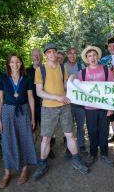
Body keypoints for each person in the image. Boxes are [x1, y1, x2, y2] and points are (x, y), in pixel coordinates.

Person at [32, 43, 89, 181]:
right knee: (46, 138)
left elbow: (64, 85)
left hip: (64, 107)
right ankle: (42, 164)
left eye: (54, 52)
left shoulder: (62, 68)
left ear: (57, 54)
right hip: (48, 108)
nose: (52, 54)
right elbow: (39, 92)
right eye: (49, 52)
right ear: (45, 55)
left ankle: (76, 160)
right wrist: (58, 97)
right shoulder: (40, 70)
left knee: (70, 135)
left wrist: (70, 79)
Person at [69, 45, 114, 168]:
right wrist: (72, 77)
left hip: (104, 107)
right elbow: (76, 86)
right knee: (92, 131)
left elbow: (112, 89)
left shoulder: (106, 70)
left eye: (94, 55)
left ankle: (104, 154)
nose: (92, 58)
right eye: (90, 56)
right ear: (87, 58)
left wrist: (111, 107)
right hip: (89, 108)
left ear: (97, 56)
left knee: (104, 131)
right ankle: (93, 154)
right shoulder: (82, 73)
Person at [0, 53, 37, 188]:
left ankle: (24, 169)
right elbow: (0, 100)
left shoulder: (27, 78)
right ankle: (7, 173)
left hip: (23, 111)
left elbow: (31, 98)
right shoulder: (2, 78)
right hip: (7, 112)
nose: (15, 64)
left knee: (25, 139)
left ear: (21, 63)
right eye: (12, 62)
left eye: (17, 62)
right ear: (8, 64)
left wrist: (33, 117)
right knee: (7, 140)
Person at [26, 48, 56, 159]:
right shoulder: (26, 72)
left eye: (38, 55)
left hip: (45, 104)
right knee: (32, 129)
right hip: (31, 105)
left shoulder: (46, 69)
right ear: (31, 57)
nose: (37, 57)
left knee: (47, 129)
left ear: (42, 57)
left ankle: (49, 150)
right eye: (34, 55)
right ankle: (31, 152)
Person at [63, 47, 88, 158]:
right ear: (67, 55)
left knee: (80, 126)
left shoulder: (81, 66)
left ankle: (81, 146)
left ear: (76, 55)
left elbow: (85, 82)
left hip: (79, 102)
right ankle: (69, 148)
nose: (72, 55)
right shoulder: (63, 67)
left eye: (74, 53)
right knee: (69, 126)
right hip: (67, 102)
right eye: (70, 54)